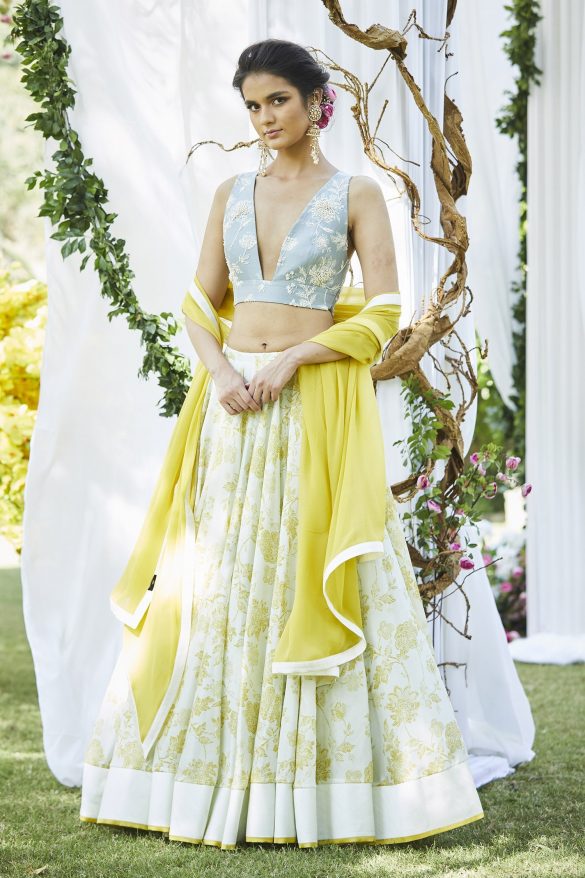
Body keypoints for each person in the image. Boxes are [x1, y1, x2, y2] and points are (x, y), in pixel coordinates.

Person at [79, 38, 484, 850]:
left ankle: (321, 785)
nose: (265, 118)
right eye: (253, 105)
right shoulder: (231, 192)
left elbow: (383, 311)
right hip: (230, 410)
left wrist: (295, 359)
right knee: (218, 580)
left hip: (308, 408)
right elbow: (199, 305)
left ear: (315, 103)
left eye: (278, 101)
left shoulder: (355, 193)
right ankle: (205, 775)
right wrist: (222, 371)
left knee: (302, 566)